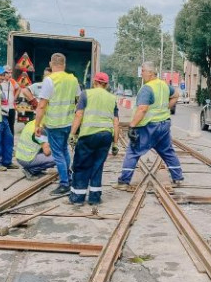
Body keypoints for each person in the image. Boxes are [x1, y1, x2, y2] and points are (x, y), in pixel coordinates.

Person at [115, 61, 183, 189]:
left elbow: (142, 109)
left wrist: (132, 125)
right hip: (164, 124)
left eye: (143, 72)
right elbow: (176, 95)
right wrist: (166, 108)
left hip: (148, 126)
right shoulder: (163, 85)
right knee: (167, 151)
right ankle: (178, 178)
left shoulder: (147, 88)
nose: (142, 74)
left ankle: (124, 181)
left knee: (133, 151)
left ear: (150, 73)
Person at [68, 72, 119, 205]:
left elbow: (79, 115)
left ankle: (78, 198)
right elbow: (116, 122)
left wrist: (72, 134)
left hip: (88, 135)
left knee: (81, 165)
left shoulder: (86, 94)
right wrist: (115, 143)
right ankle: (94, 198)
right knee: (97, 166)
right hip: (106, 136)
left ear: (94, 82)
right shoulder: (112, 98)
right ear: (106, 84)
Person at [34, 53, 81, 195]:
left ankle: (64, 183)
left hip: (54, 124)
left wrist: (37, 124)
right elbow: (78, 100)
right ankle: (70, 178)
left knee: (58, 154)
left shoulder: (49, 80)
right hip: (68, 123)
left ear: (51, 63)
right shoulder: (73, 79)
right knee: (65, 150)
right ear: (64, 64)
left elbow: (42, 105)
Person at [1, 65, 20, 135]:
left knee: (11, 126)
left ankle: (10, 142)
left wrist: (15, 98)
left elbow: (18, 88)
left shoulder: (12, 81)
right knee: (2, 126)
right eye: (8, 73)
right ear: (3, 73)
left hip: (11, 108)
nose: (10, 75)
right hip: (1, 109)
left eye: (11, 73)